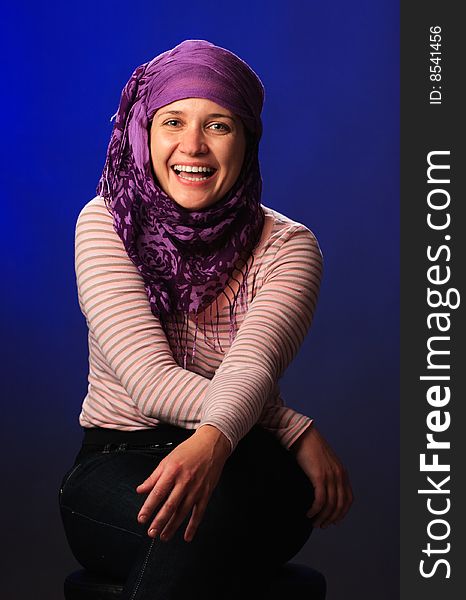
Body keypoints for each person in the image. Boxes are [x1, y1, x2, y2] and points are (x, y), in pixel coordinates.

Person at [59, 39, 353, 600]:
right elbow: (148, 382)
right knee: (199, 529)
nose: (192, 145)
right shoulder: (105, 223)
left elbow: (253, 364)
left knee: (228, 511)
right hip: (119, 459)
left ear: (248, 140)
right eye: (172, 121)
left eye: (218, 125)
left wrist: (220, 439)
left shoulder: (288, 248)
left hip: (247, 460)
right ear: (143, 133)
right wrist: (293, 427)